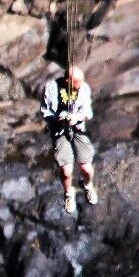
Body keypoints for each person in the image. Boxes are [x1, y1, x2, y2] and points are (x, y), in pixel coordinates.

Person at [40, 65, 97, 214]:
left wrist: (77, 117)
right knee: (66, 170)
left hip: (78, 129)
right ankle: (68, 193)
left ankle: (87, 185)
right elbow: (45, 112)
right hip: (59, 130)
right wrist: (60, 118)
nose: (80, 85)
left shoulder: (84, 88)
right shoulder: (51, 88)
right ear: (68, 81)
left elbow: (88, 112)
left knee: (86, 168)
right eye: (77, 83)